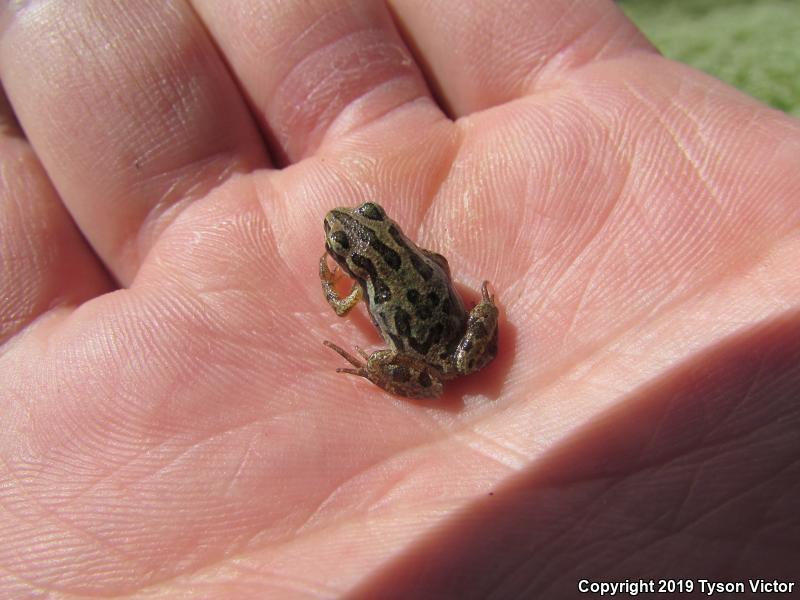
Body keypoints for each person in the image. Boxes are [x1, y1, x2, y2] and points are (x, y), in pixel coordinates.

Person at [1, 1, 798, 597]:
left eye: (356, 234)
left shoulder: (358, 283)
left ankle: (383, 371)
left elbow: (355, 300)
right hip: (449, 330)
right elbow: (437, 261)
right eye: (352, 238)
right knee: (429, 334)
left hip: (427, 348)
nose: (352, 232)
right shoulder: (390, 260)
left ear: (370, 241)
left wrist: (347, 300)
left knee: (384, 351)